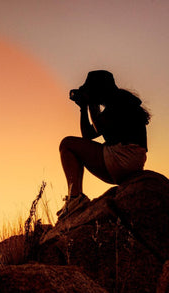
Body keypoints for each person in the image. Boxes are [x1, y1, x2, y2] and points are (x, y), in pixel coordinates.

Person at [57, 70, 150, 219]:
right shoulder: (122, 100)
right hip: (131, 159)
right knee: (71, 144)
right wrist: (84, 108)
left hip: (122, 157)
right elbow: (90, 135)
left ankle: (75, 199)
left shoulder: (119, 101)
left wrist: (88, 105)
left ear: (98, 90)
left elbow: (93, 134)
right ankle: (75, 199)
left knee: (66, 144)